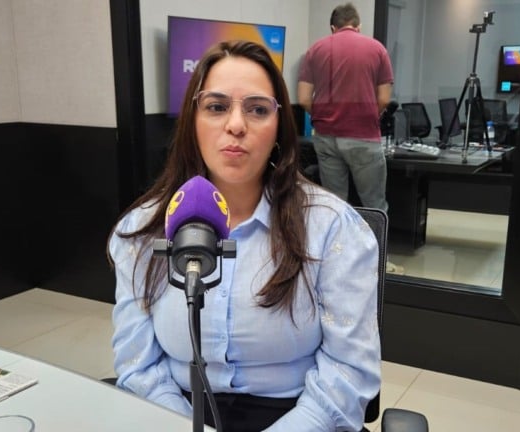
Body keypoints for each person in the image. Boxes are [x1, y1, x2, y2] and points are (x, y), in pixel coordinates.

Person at [108, 40, 380, 432]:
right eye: (217, 107)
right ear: (192, 122)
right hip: (178, 413)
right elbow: (138, 366)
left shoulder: (333, 228)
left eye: (257, 109)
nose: (236, 125)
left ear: (278, 126)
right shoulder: (140, 231)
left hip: (299, 416)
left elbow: (348, 373)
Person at [297, 2, 394, 212]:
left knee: (334, 206)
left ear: (333, 28)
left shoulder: (315, 50)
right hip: (364, 136)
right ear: (358, 26)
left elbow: (303, 98)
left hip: (326, 137)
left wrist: (323, 115)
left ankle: (338, 235)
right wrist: (368, 115)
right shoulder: (377, 49)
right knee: (374, 204)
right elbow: (385, 98)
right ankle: (375, 235)